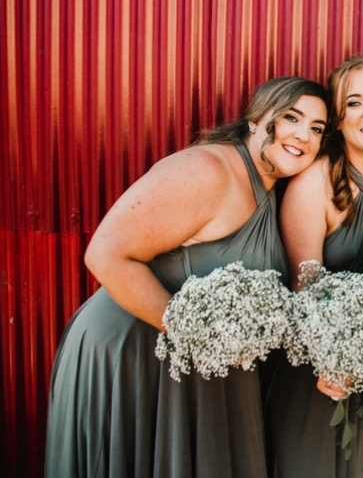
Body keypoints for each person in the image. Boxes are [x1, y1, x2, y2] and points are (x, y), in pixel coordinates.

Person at [44, 77, 329, 478]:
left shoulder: (270, 190)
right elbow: (105, 254)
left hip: (189, 370)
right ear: (253, 120)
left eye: (316, 128)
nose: (303, 135)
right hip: (133, 356)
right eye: (291, 118)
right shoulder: (209, 171)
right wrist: (201, 337)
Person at [269, 56, 363, 478]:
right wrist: (332, 360)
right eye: (354, 103)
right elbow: (304, 291)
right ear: (337, 119)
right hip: (322, 372)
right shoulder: (315, 185)